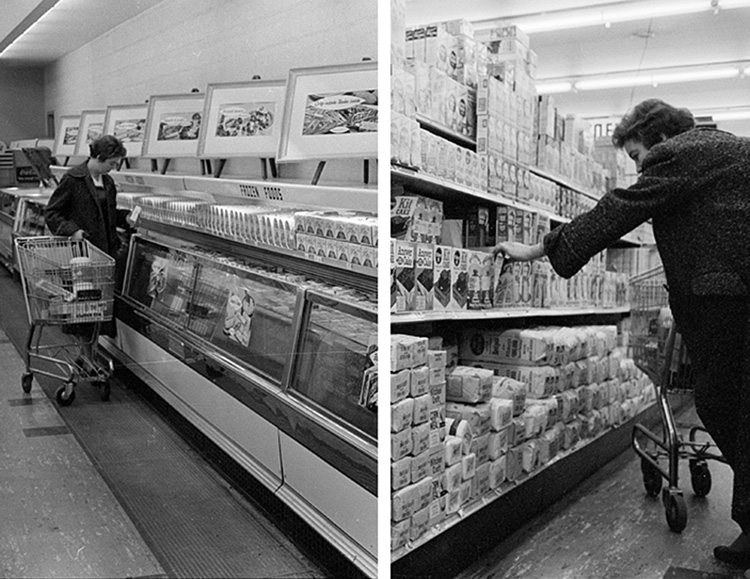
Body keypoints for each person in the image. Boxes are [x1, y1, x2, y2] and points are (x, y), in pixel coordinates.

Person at [492, 98, 750, 568]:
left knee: (720, 402)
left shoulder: (679, 154)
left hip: (728, 300)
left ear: (659, 138)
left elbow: (618, 210)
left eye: (635, 156)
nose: (638, 168)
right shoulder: (730, 149)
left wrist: (535, 250)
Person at [44, 134, 129, 363]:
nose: (114, 168)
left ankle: (89, 356)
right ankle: (87, 357)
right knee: (84, 309)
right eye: (112, 163)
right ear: (99, 157)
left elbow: (107, 214)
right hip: (81, 257)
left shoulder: (108, 182)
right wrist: (72, 230)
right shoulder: (73, 179)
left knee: (97, 308)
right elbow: (52, 213)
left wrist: (126, 218)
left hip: (104, 254)